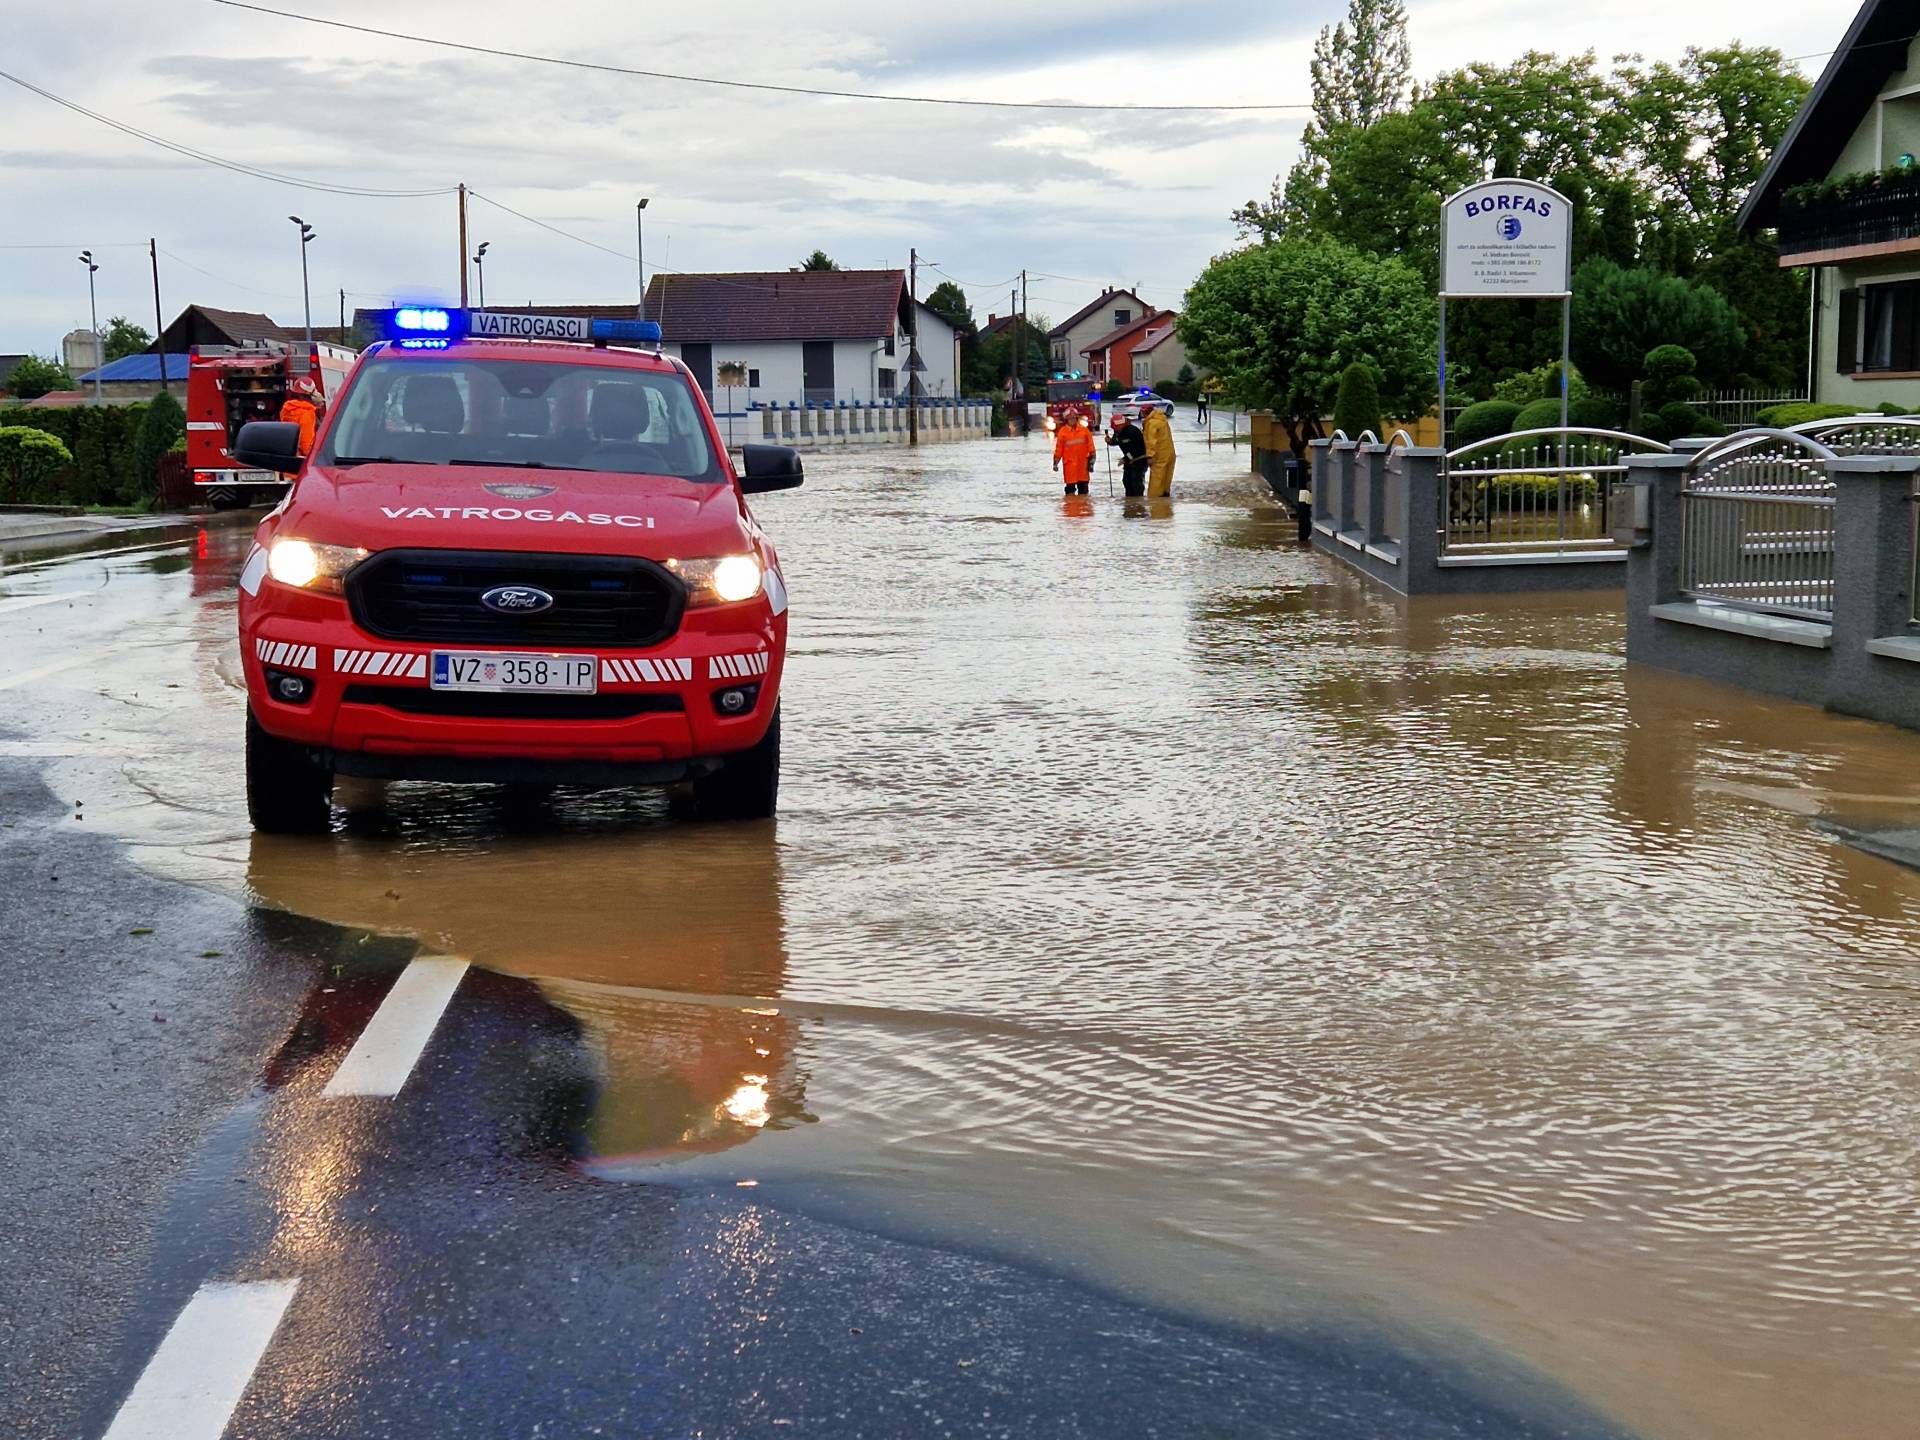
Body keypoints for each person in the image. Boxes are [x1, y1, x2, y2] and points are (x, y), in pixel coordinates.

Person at [278, 374, 323, 456]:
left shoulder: (286, 409)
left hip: (286, 455)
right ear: (310, 395)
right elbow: (306, 445)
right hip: (300, 459)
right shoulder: (307, 413)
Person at [1106, 410, 1148, 496]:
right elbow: (1117, 441)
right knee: (1126, 481)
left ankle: (1138, 500)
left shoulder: (1133, 432)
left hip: (1139, 460)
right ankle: (1129, 501)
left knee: (1136, 482)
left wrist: (1125, 459)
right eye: (1114, 429)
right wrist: (1110, 442)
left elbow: (1137, 450)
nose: (1115, 430)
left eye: (1116, 428)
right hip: (1129, 460)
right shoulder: (1118, 432)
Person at [1053, 412, 1095, 495]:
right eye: (1070, 418)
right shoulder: (1063, 432)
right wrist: (1055, 463)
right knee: (1070, 491)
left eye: (1074, 418)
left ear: (1077, 419)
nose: (1072, 420)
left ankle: (1082, 503)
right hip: (1069, 467)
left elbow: (1091, 448)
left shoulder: (1084, 431)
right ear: (1066, 420)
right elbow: (1059, 450)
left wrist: (1091, 463)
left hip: (1082, 466)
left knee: (1083, 491)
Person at [1143, 403, 1176, 497]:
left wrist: (1149, 456)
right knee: (1167, 477)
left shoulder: (1151, 423)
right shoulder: (1163, 419)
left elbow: (1151, 441)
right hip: (1170, 453)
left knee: (1156, 480)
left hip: (1159, 455)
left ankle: (1155, 501)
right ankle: (1165, 497)